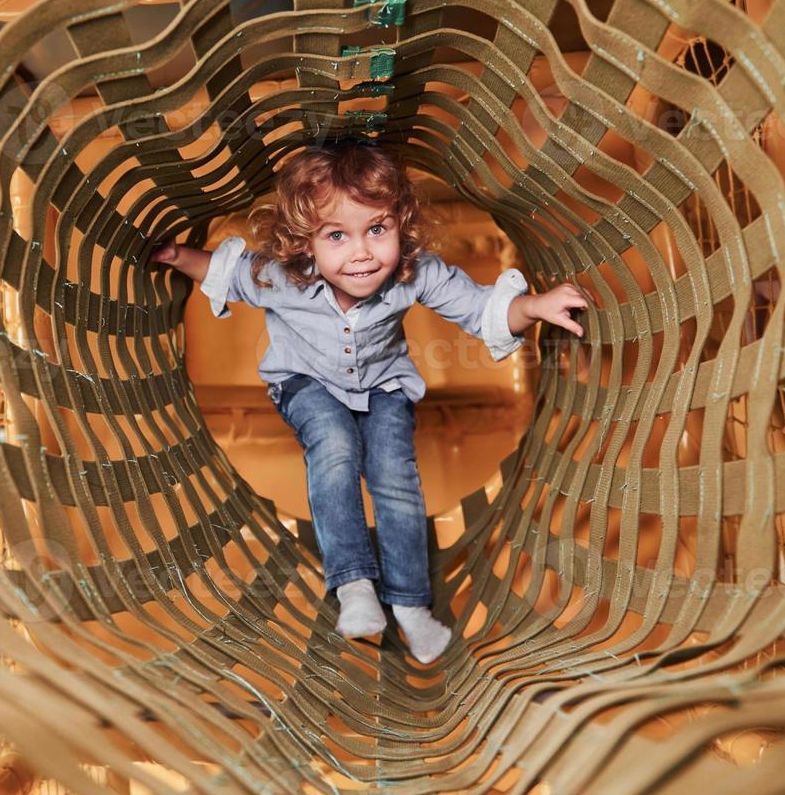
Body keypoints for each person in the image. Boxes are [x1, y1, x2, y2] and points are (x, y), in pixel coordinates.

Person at [149, 140, 588, 663]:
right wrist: (177, 256)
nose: (361, 251)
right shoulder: (282, 277)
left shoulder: (417, 273)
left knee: (396, 480)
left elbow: (481, 310)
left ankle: (410, 606)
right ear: (305, 243)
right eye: (337, 235)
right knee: (333, 447)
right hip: (303, 381)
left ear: (400, 224)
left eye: (376, 230)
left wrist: (536, 304)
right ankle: (354, 583)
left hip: (383, 386)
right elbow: (228, 273)